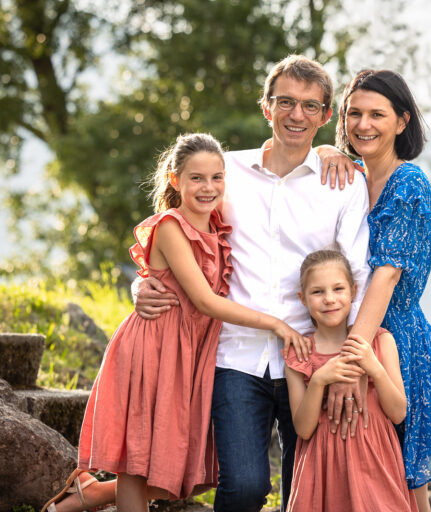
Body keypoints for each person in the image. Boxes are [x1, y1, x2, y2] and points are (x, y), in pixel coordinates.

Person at [134, 55, 372, 512]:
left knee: (307, 492)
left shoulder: (342, 183)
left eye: (309, 106)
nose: (296, 115)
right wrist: (143, 284)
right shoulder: (227, 174)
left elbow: (356, 274)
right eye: (285, 102)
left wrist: (351, 362)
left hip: (311, 360)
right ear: (267, 107)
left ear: (325, 117)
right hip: (235, 356)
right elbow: (177, 228)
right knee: (243, 487)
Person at [41, 133, 309, 512]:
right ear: (174, 180)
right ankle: (97, 496)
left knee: (174, 463)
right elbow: (204, 300)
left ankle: (92, 494)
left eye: (217, 177)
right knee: (139, 459)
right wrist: (277, 325)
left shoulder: (218, 224)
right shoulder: (171, 226)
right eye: (196, 178)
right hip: (155, 344)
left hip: (190, 353)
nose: (208, 187)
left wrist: (329, 150)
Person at [334, 69, 431, 512]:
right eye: (353, 113)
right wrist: (323, 151)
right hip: (348, 331)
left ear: (402, 121)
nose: (363, 124)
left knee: (401, 478)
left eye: (377, 114)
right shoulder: (349, 176)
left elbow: (387, 275)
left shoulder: (408, 184)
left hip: (392, 338)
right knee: (361, 472)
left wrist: (353, 357)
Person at [284, 250, 418, 512]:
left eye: (338, 288)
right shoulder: (299, 354)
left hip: (375, 462)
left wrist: (374, 369)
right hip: (325, 467)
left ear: (354, 291)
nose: (329, 299)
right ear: (303, 299)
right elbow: (302, 428)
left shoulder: (380, 341)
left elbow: (398, 412)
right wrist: (319, 381)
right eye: (318, 292)